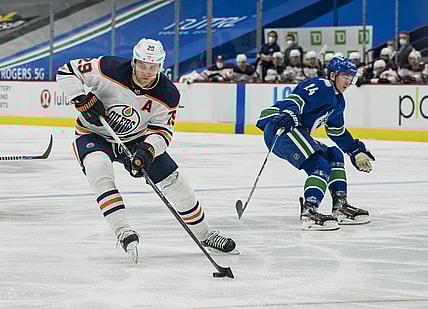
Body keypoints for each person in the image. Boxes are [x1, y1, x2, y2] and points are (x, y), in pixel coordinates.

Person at [56, 38, 239, 263]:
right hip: (93, 133)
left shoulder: (168, 94)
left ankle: (206, 234)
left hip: (135, 140)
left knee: (174, 181)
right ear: (134, 62)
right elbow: (66, 71)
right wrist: (80, 98)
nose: (146, 72)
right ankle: (123, 230)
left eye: (152, 67)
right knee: (98, 170)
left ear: (161, 67)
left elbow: (162, 132)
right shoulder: (108, 68)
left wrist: (147, 151)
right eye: (142, 65)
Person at [256, 56, 374, 231]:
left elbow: (337, 132)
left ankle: (340, 205)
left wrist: (355, 150)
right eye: (345, 77)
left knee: (334, 154)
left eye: (351, 78)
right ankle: (310, 211)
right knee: (319, 165)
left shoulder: (338, 102)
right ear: (333, 75)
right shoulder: (322, 85)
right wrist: (290, 112)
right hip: (281, 127)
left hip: (296, 130)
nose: (348, 82)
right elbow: (296, 99)